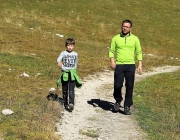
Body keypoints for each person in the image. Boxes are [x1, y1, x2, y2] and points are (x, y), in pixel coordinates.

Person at [108, 19, 142, 115]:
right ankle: (118, 101)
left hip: (130, 65)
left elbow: (138, 52)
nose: (124, 28)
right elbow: (111, 50)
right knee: (118, 85)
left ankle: (127, 106)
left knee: (130, 86)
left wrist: (140, 64)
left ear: (130, 28)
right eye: (123, 26)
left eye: (127, 27)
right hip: (119, 65)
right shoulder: (115, 38)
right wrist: (112, 61)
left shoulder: (135, 39)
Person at [57, 38, 82, 111]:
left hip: (72, 74)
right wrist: (60, 64)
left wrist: (74, 70)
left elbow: (76, 63)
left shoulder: (75, 54)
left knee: (71, 89)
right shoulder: (63, 53)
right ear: (66, 46)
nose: (70, 47)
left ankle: (71, 103)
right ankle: (65, 103)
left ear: (73, 46)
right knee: (65, 89)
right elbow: (58, 60)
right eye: (68, 45)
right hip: (65, 73)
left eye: (71, 46)